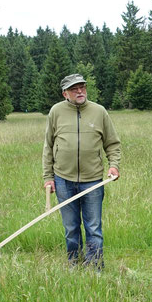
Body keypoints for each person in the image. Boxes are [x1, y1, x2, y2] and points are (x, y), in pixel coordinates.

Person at [43, 73, 121, 267]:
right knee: (71, 228)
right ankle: (74, 264)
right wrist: (48, 177)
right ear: (65, 93)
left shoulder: (99, 111)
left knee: (93, 227)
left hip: (93, 180)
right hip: (63, 180)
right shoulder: (56, 112)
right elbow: (48, 146)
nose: (80, 91)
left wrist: (114, 165)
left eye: (82, 87)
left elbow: (112, 144)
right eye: (74, 89)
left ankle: (94, 266)